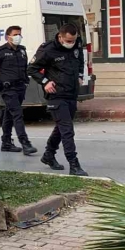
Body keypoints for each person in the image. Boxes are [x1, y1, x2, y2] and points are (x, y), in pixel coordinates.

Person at [27, 23, 88, 176]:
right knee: (67, 130)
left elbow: (80, 61)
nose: (71, 43)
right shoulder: (48, 49)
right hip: (56, 95)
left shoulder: (76, 44)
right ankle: (74, 165)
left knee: (61, 128)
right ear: (60, 37)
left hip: (71, 93)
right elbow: (31, 69)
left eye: (73, 40)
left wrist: (80, 75)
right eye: (68, 40)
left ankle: (48, 155)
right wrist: (45, 82)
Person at [0, 25, 37, 155]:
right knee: (17, 114)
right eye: (16, 34)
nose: (18, 37)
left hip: (20, 87)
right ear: (8, 37)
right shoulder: (0, 51)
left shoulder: (22, 50)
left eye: (20, 34)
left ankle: (6, 142)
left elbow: (25, 68)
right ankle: (25, 143)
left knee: (9, 115)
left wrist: (26, 82)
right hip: (8, 89)